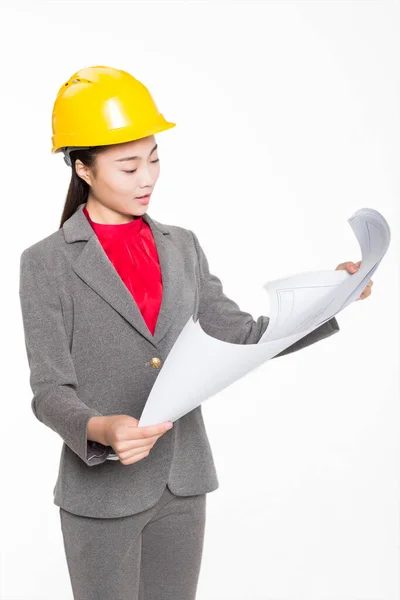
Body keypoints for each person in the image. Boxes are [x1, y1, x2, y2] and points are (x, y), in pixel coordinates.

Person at [18, 65, 374, 600]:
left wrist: (332, 298)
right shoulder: (45, 263)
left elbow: (242, 335)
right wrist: (100, 428)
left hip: (183, 482)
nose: (147, 178)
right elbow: (48, 391)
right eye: (128, 165)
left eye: (155, 159)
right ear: (83, 169)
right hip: (102, 495)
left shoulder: (181, 245)